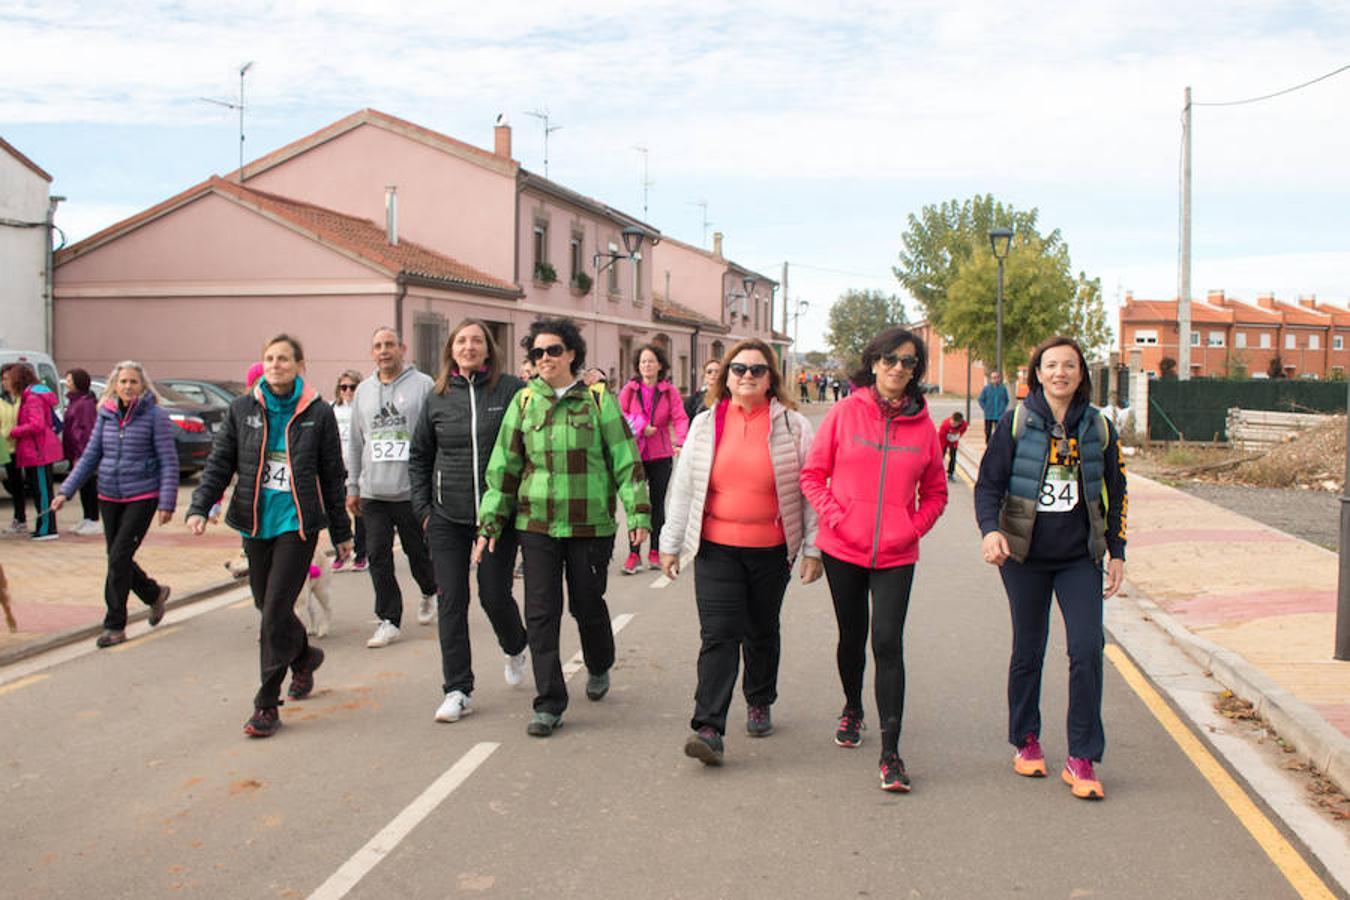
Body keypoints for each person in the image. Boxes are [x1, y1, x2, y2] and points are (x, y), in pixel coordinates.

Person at [474, 317, 650, 738]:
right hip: (536, 524)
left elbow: (625, 459)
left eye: (554, 350)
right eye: (537, 353)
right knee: (540, 612)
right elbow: (504, 467)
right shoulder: (523, 404)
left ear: (571, 353)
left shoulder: (596, 399)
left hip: (590, 524)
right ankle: (549, 701)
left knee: (587, 604)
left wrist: (638, 515)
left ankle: (599, 661)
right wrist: (490, 522)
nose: (545, 359)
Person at [974, 335, 1127, 801]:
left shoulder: (1098, 426)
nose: (1060, 373)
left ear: (1081, 375)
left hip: (1079, 557)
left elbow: (1117, 492)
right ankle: (1026, 739)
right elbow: (988, 484)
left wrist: (1117, 550)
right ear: (1037, 373)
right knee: (1029, 649)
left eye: (1069, 366)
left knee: (1086, 649)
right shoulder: (1018, 421)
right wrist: (989, 530)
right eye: (1051, 365)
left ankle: (1082, 755)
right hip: (1024, 556)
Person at [800, 326, 949, 792]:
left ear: (915, 371)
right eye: (890, 359)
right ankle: (852, 707)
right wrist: (835, 518)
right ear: (874, 362)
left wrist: (911, 527)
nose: (898, 368)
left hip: (896, 554)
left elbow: (937, 493)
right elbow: (813, 475)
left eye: (908, 362)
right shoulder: (845, 413)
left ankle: (891, 752)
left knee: (887, 642)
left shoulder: (923, 427)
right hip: (843, 547)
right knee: (852, 635)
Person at [661, 339, 821, 766]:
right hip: (716, 549)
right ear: (725, 376)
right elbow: (683, 488)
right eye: (738, 369)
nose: (747, 376)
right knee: (718, 635)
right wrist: (671, 544)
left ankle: (759, 698)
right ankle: (709, 727)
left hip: (771, 551)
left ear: (772, 378)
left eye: (757, 369)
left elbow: (812, 491)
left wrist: (813, 549)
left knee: (761, 629)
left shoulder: (793, 427)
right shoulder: (706, 423)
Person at [187, 334, 352, 738]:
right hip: (255, 522)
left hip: (297, 526)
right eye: (270, 359)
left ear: (300, 364)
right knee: (267, 606)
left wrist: (343, 531)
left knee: (276, 611)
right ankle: (305, 657)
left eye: (284, 359)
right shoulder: (243, 408)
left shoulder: (318, 412)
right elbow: (221, 461)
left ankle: (266, 704)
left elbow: (332, 475)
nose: (276, 365)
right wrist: (199, 506)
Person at [410, 318, 530, 724]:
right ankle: (458, 689)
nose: (469, 346)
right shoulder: (438, 396)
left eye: (477, 340)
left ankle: (516, 645)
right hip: (447, 515)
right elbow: (420, 457)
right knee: (452, 601)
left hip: (497, 517)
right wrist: (424, 511)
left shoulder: (511, 390)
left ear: (489, 348)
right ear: (451, 350)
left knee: (494, 595)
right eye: (461, 340)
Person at [52, 361, 177, 647]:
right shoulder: (105, 414)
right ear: (115, 385)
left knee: (119, 557)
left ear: (143, 386)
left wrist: (167, 502)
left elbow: (169, 461)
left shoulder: (155, 415)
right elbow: (90, 456)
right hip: (108, 495)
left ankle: (114, 625)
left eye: (133, 382)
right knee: (116, 558)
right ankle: (153, 593)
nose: (128, 387)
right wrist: (66, 491)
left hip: (142, 495)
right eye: (123, 382)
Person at [345, 326, 439, 648]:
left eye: (389, 345)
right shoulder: (363, 392)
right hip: (373, 491)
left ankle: (429, 590)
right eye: (377, 346)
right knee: (377, 555)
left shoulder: (423, 385)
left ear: (402, 348)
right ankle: (389, 619)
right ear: (372, 353)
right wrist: (352, 485)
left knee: (417, 553)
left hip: (411, 491)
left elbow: (433, 437)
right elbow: (357, 443)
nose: (384, 350)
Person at [618, 343, 689, 574]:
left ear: (660, 365)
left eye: (650, 361)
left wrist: (681, 441)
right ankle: (633, 554)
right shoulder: (630, 389)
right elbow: (619, 415)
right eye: (642, 362)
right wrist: (639, 426)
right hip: (635, 454)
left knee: (657, 504)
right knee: (635, 504)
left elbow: (679, 417)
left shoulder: (669, 391)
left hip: (660, 454)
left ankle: (655, 550)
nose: (646, 365)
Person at [6, 363, 63, 540]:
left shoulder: (32, 398)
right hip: (36, 450)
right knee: (40, 490)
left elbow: (36, 424)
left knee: (42, 491)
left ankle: (47, 528)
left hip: (39, 451)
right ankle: (43, 525)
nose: (6, 384)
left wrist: (14, 432)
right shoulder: (31, 395)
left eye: (9, 379)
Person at [329, 369, 367, 573]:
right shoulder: (332, 409)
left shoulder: (361, 409)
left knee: (358, 512)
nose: (348, 391)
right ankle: (340, 553)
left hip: (358, 468)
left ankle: (361, 554)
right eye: (344, 387)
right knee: (336, 511)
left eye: (352, 387)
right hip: (337, 468)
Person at [62, 368, 101, 536]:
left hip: (83, 453)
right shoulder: (74, 401)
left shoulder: (85, 404)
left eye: (70, 380)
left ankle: (94, 519)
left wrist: (82, 454)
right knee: (83, 487)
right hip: (75, 452)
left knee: (89, 485)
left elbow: (86, 431)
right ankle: (86, 517)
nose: (67, 383)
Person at [0, 364, 27, 534]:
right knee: (10, 483)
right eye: (2, 379)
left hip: (19, 448)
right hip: (4, 447)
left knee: (17, 486)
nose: (5, 382)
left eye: (8, 378)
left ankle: (20, 518)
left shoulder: (22, 399)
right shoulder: (1, 400)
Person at [978, 370, 1010, 443]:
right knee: (988, 431)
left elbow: (1006, 400)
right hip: (989, 414)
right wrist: (985, 408)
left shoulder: (1003, 388)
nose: (995, 379)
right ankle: (988, 444)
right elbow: (981, 400)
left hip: (999, 414)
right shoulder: (986, 389)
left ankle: (997, 444)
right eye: (993, 378)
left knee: (999, 431)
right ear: (990, 379)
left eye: (997, 377)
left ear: (999, 378)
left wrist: (1003, 408)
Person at [937, 410, 968, 481]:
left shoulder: (964, 425)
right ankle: (938, 473)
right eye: (952, 421)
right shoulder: (945, 425)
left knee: (953, 457)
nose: (952, 424)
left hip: (953, 441)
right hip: (943, 440)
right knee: (940, 457)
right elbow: (941, 438)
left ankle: (950, 473)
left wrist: (957, 436)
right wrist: (942, 449)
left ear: (959, 423)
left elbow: (963, 431)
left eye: (954, 423)